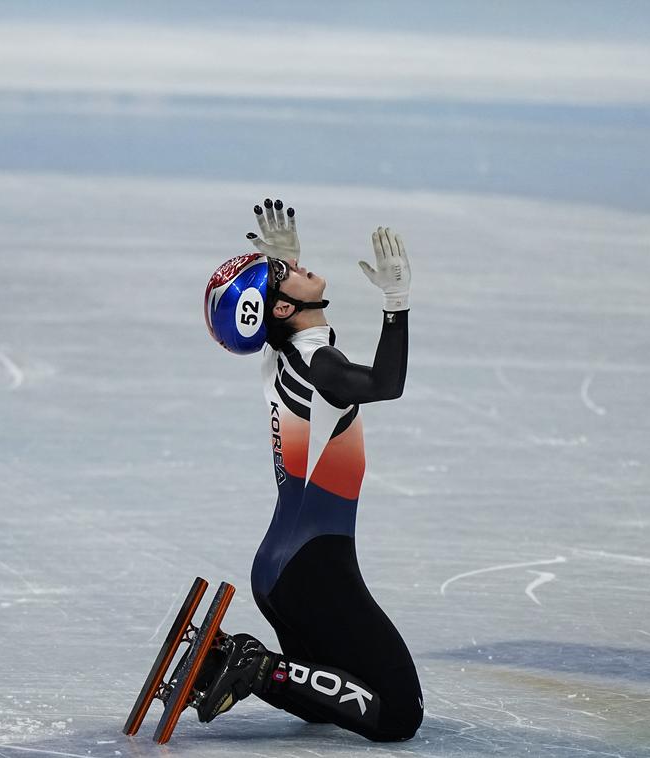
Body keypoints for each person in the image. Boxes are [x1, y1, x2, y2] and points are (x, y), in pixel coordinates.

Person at [198, 198, 422, 742]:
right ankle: (253, 665)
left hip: (279, 570)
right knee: (397, 713)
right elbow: (384, 385)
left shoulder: (280, 357)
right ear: (277, 311)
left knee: (331, 695)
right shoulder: (321, 365)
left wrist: (279, 278)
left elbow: (282, 330)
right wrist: (396, 303)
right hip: (314, 572)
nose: (298, 268)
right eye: (286, 274)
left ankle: (237, 660)